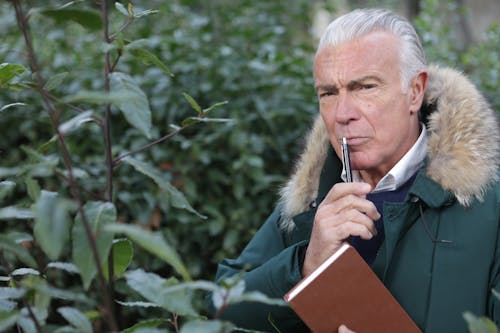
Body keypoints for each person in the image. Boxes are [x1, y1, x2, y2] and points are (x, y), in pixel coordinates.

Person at [210, 8, 500, 333]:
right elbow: (222, 310)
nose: (342, 114)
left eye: (365, 87)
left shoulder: (489, 205)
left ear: (415, 91)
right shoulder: (311, 200)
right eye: (329, 93)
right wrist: (307, 263)